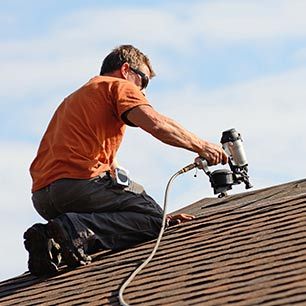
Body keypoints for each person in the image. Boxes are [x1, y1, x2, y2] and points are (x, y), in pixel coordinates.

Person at [24, 45, 228, 277]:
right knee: (153, 220)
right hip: (79, 185)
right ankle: (72, 230)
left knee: (146, 214)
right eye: (143, 82)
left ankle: (52, 242)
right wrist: (203, 146)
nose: (143, 92)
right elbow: (156, 124)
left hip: (43, 198)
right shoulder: (117, 86)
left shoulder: (75, 99)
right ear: (125, 69)